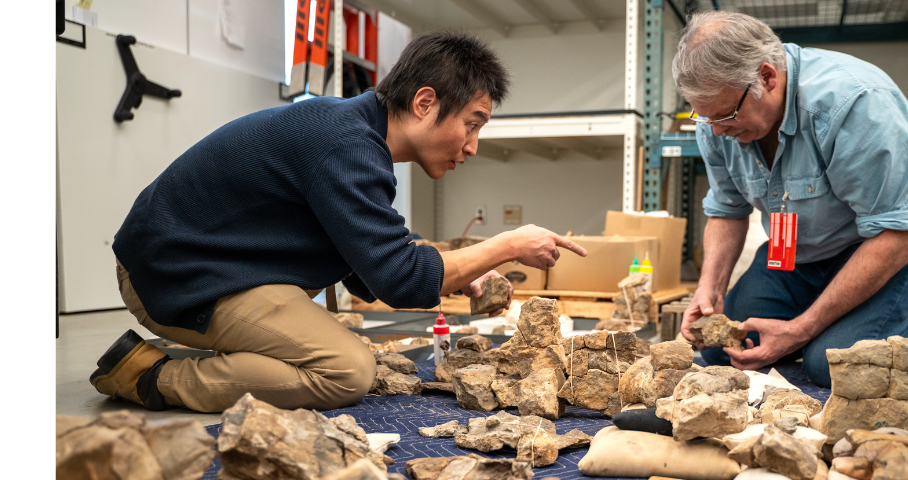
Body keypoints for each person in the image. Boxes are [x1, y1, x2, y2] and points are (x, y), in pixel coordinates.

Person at [91, 32, 586, 413]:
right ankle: (152, 377)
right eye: (472, 123)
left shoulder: (355, 134)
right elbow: (398, 277)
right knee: (345, 370)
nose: (473, 145)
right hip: (173, 275)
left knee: (336, 350)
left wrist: (469, 268)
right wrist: (506, 244)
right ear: (425, 103)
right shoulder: (345, 143)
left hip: (209, 265)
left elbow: (377, 241)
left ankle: (215, 361)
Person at [673, 12, 908, 386]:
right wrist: (709, 290)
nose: (716, 131)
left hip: (900, 236)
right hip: (807, 242)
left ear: (767, 77)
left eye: (727, 115)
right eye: (704, 117)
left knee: (832, 363)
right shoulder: (718, 118)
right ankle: (830, 320)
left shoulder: (854, 103)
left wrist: (801, 329)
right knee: (723, 347)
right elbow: (728, 210)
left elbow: (896, 237)